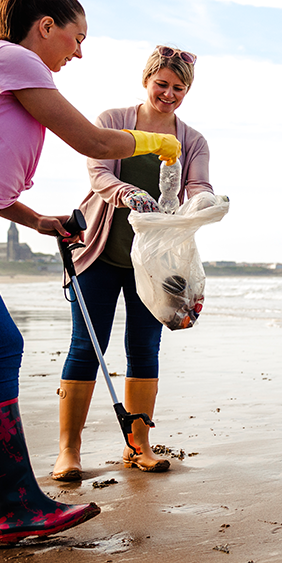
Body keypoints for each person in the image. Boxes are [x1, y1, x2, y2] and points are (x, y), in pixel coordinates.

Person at [0, 0, 180, 543]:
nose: (78, 52)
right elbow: (93, 143)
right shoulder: (14, 59)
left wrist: (35, 219)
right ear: (46, 26)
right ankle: (15, 506)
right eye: (76, 38)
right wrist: (157, 143)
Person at [52, 45, 210, 481]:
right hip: (99, 251)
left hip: (154, 264)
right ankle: (69, 450)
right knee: (87, 348)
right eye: (162, 84)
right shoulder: (112, 120)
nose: (169, 94)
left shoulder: (191, 140)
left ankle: (137, 445)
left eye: (179, 88)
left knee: (144, 349)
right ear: (146, 81)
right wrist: (126, 193)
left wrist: (206, 201)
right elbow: (99, 173)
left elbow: (198, 184)